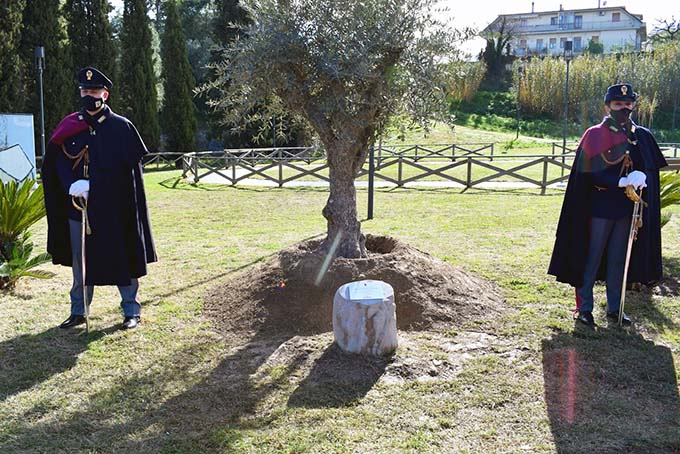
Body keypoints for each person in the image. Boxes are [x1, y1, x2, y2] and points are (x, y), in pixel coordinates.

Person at [42, 67, 157, 330]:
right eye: (85, 91)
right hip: (79, 207)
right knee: (80, 262)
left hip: (115, 208)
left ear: (105, 95)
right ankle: (79, 310)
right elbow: (57, 161)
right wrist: (71, 185)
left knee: (122, 256)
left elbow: (128, 173)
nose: (89, 95)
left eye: (94, 91)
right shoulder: (70, 125)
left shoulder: (121, 127)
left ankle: (131, 311)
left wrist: (93, 185)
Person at [548, 83, 667, 327]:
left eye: (628, 104)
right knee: (590, 259)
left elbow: (649, 168)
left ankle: (615, 308)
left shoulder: (641, 135)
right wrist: (620, 181)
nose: (624, 108)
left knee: (618, 260)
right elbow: (587, 173)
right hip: (599, 208)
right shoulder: (595, 134)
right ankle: (585, 308)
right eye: (618, 104)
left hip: (627, 210)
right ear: (607, 107)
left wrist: (642, 177)